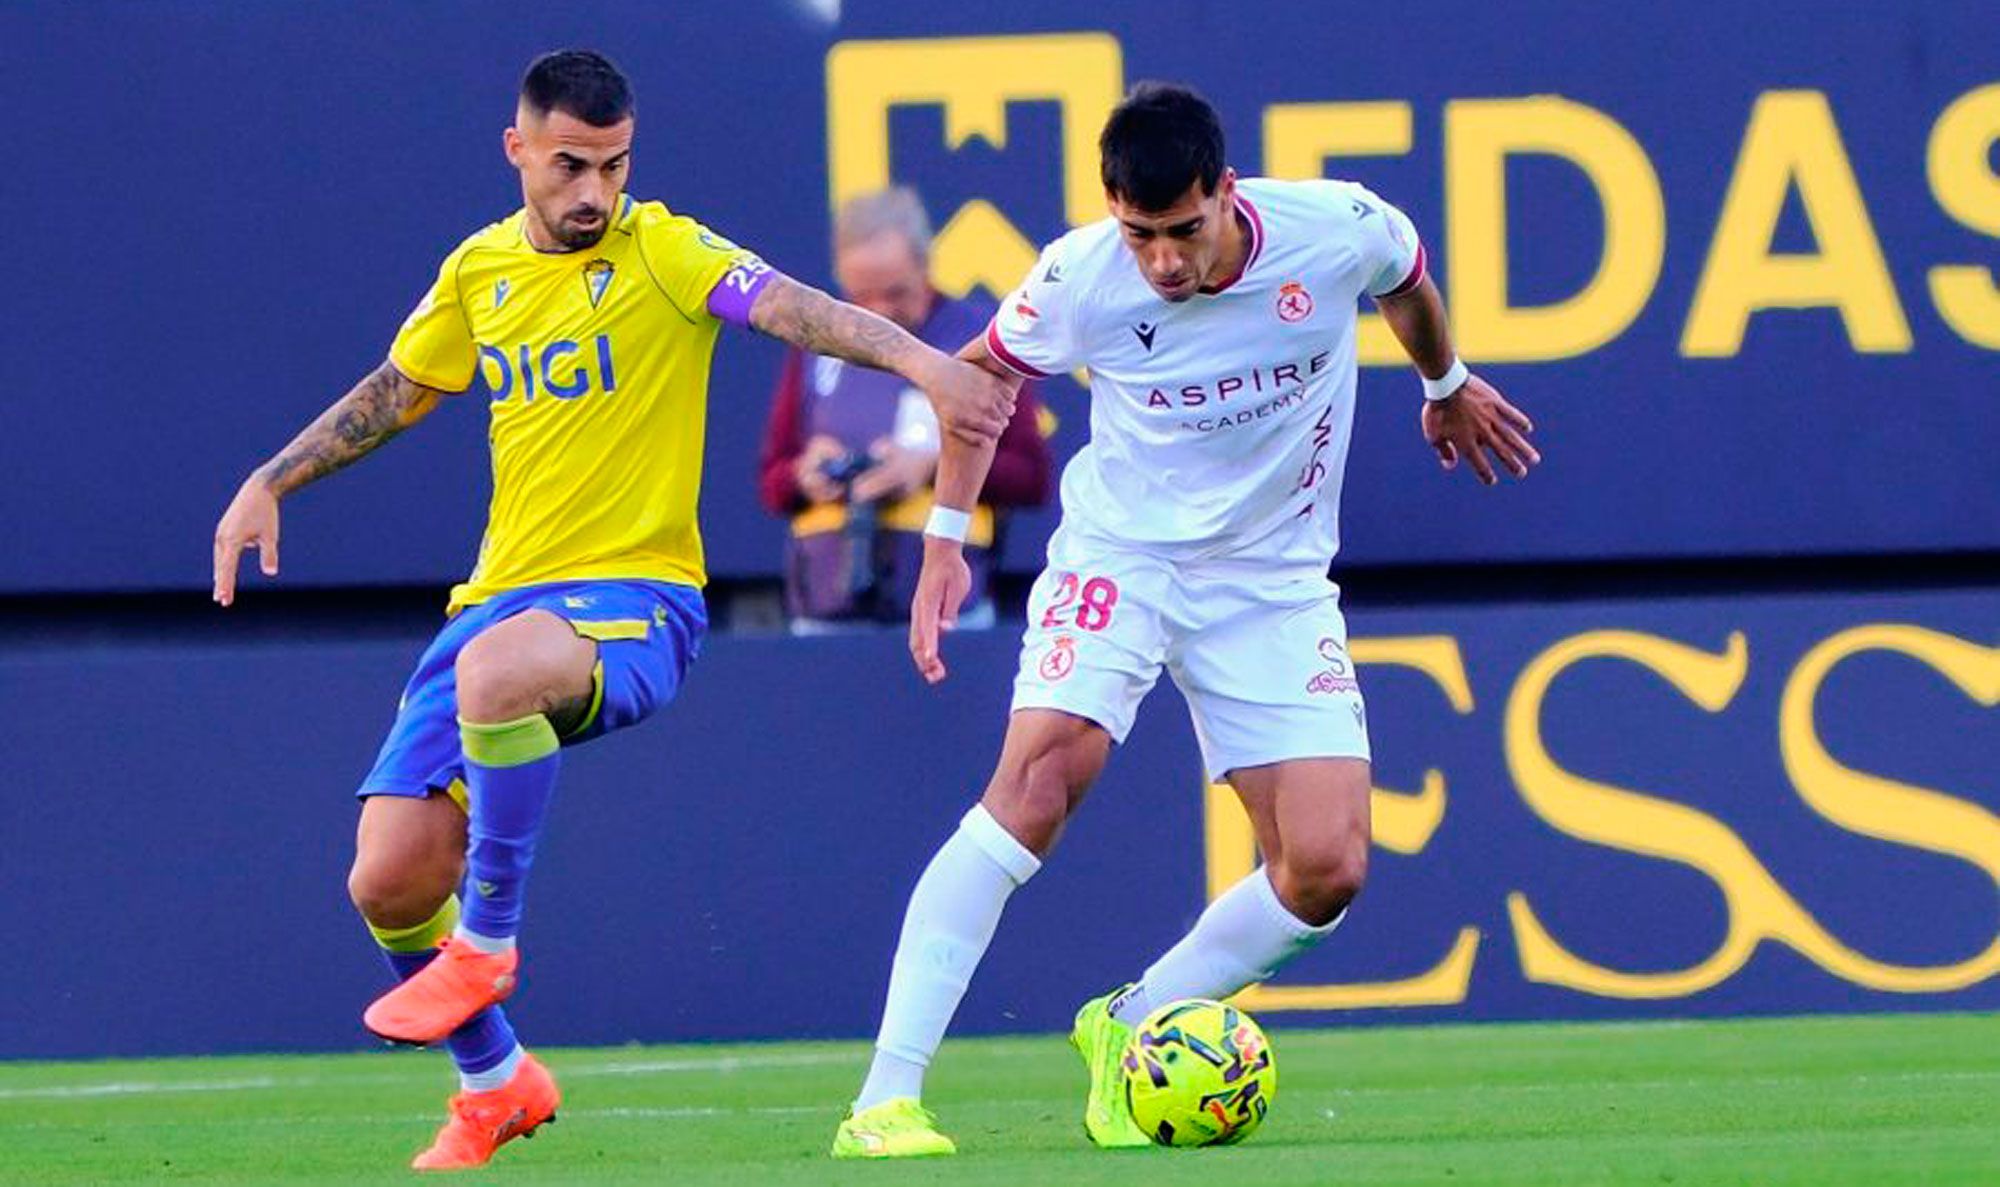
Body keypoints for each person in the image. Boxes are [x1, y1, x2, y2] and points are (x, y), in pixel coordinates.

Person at [209, 49, 1014, 1172]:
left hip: (637, 598)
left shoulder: (666, 250)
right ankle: (495, 1081)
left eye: (615, 165)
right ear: (519, 151)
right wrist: (271, 478)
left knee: (497, 677)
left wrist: (925, 365)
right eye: (572, 166)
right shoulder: (480, 270)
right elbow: (402, 390)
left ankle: (487, 944)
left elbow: (789, 305)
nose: (594, 192)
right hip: (497, 597)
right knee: (388, 877)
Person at [831, 82, 1539, 1158]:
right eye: (1139, 233)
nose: (1160, 260)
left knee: (1324, 866)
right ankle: (885, 1097)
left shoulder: (1332, 227)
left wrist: (1442, 380)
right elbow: (979, 382)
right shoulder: (1081, 277)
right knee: (1033, 787)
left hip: (1271, 578)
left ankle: (1130, 1021)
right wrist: (942, 532)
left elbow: (1405, 274)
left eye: (1181, 231)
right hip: (1125, 556)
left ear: (1225, 190)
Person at [758, 187, 1051, 630]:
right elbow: (772, 480)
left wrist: (933, 466)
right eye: (862, 296)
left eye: (895, 292)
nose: (882, 312)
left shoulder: (980, 339)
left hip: (952, 614)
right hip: (827, 612)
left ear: (925, 265)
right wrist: (806, 473)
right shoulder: (815, 349)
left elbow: (1032, 477)